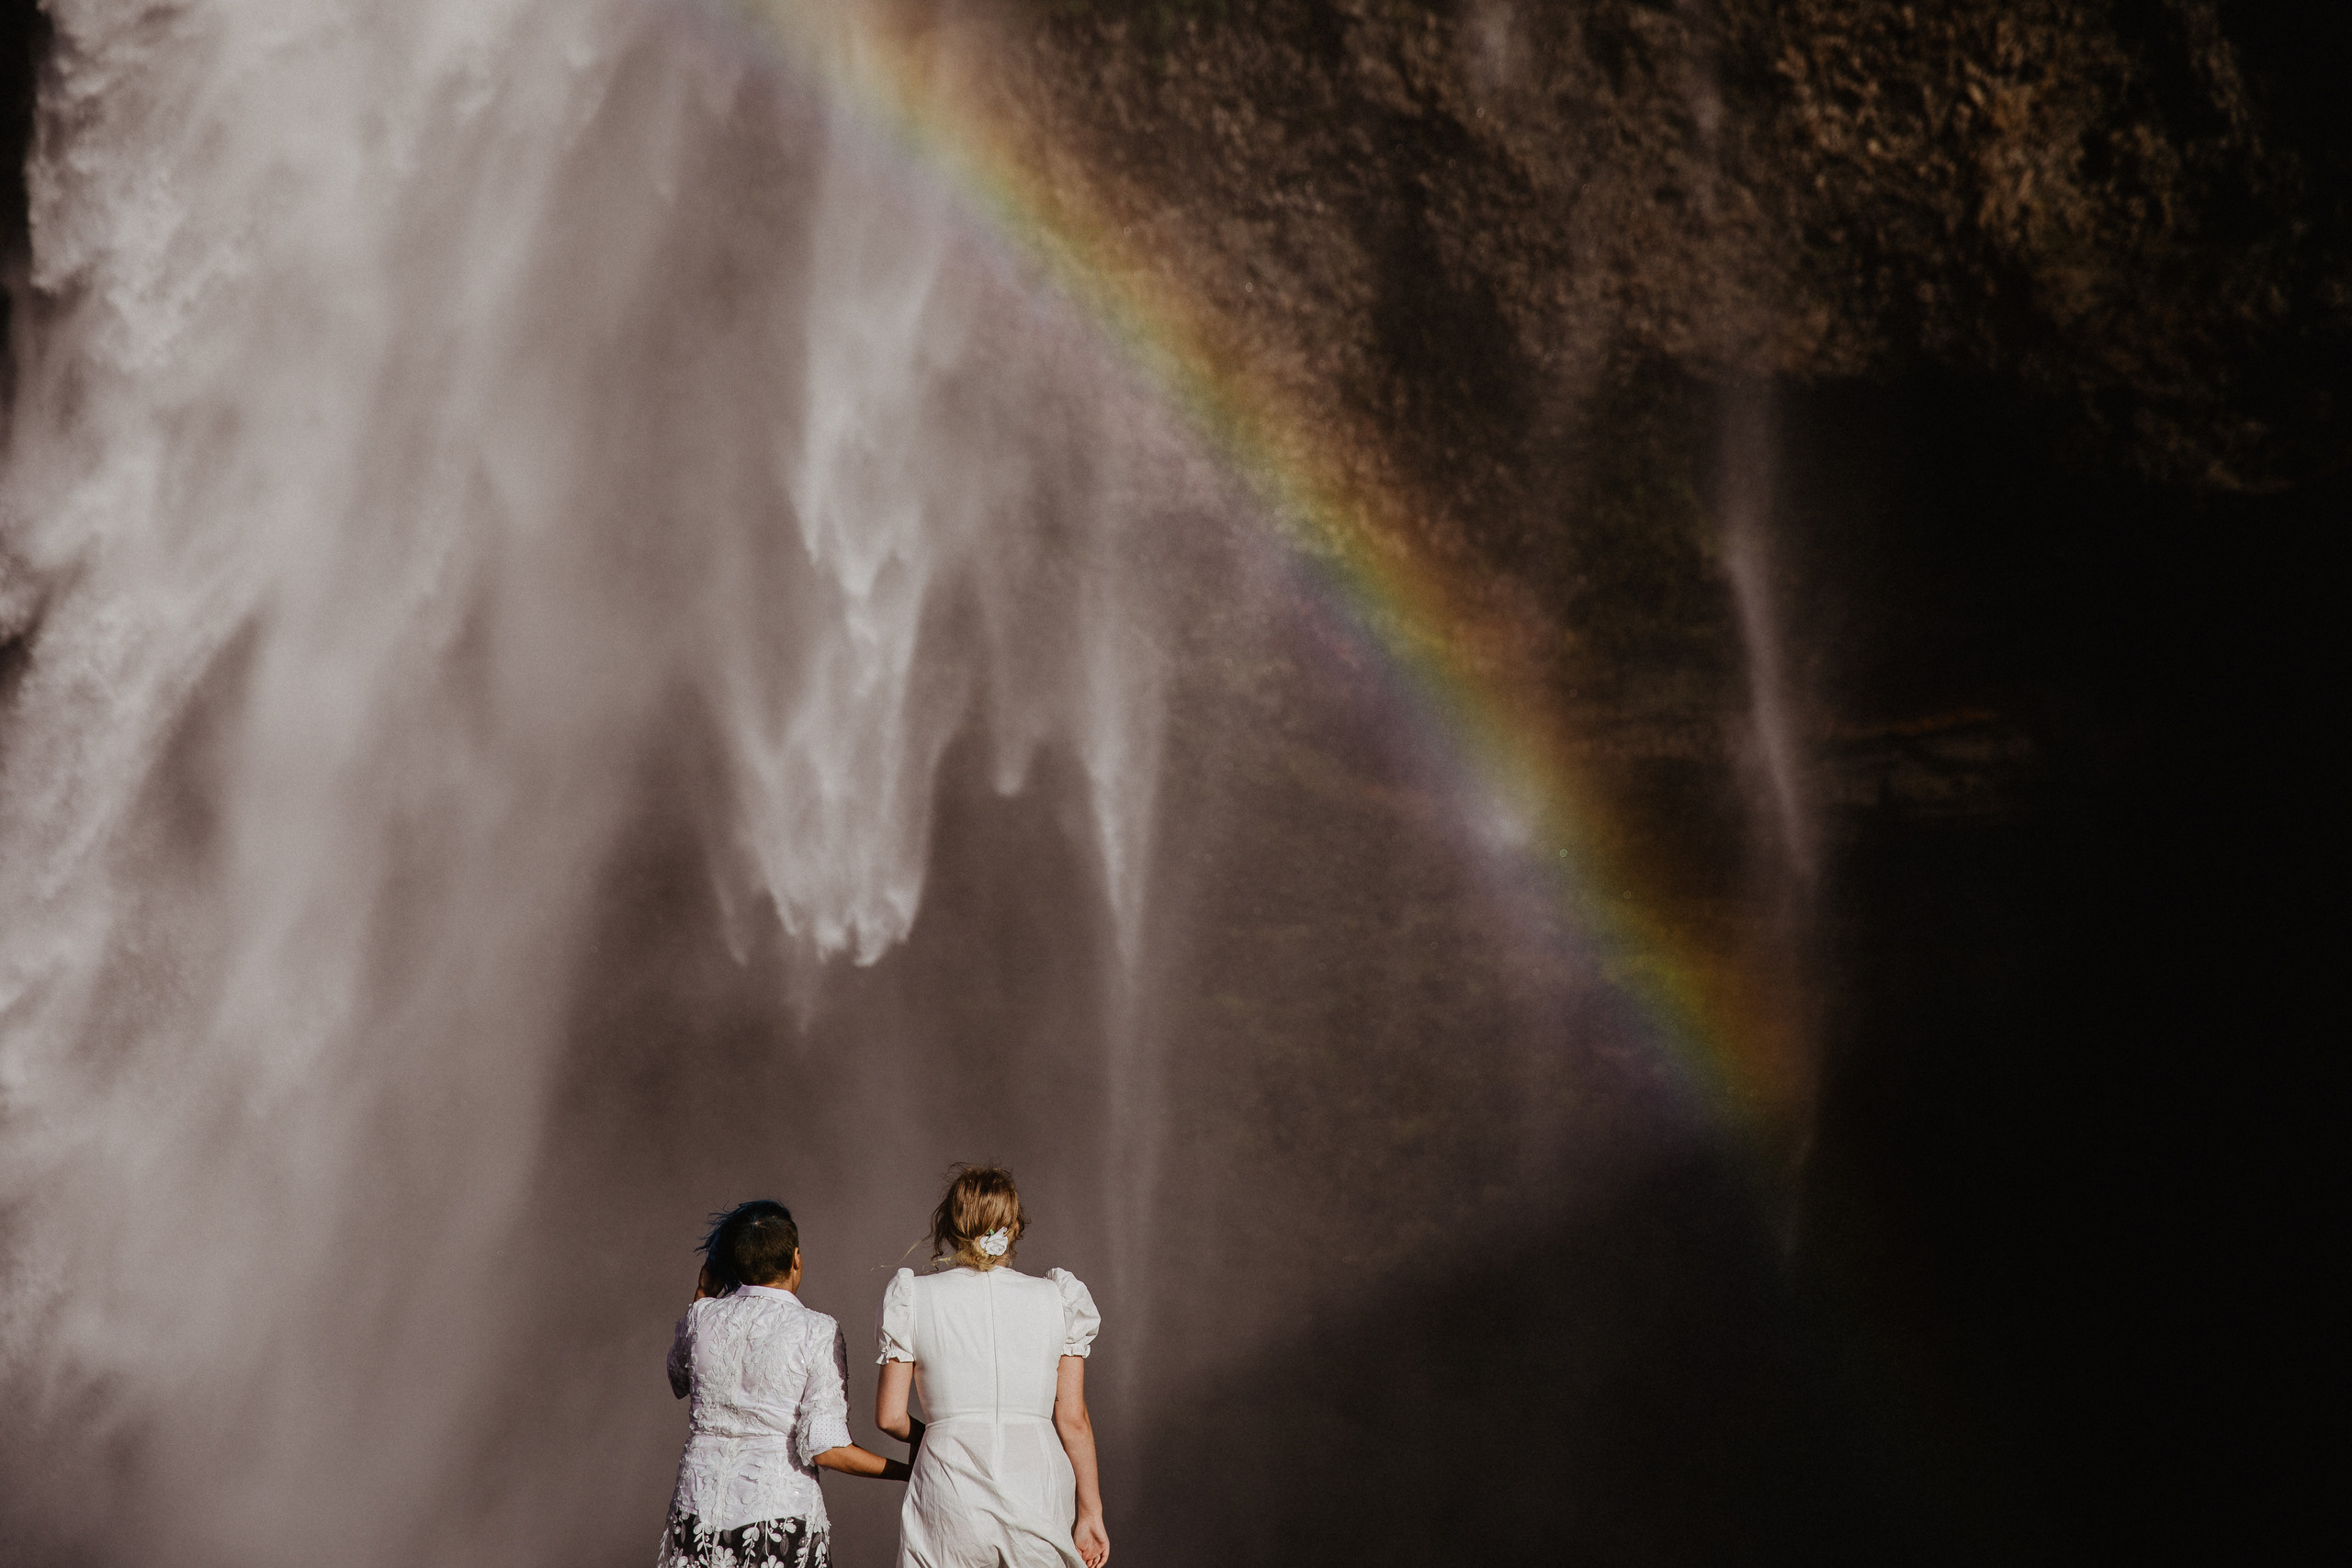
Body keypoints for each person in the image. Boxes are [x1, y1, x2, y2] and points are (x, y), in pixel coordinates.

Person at [875, 1167, 1108, 1568]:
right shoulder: (1058, 1299)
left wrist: (932, 1436)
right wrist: (1091, 1512)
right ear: (1014, 1226)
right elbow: (1073, 1419)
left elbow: (889, 1417)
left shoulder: (914, 1297)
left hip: (947, 1485)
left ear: (950, 1225)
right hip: (1037, 1483)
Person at [660, 1201, 907, 1568]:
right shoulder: (816, 1330)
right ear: (796, 1259)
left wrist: (702, 1293)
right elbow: (824, 1448)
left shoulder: (702, 1315)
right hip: (776, 1519)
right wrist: (910, 1471)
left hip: (695, 1514)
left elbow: (679, 1379)